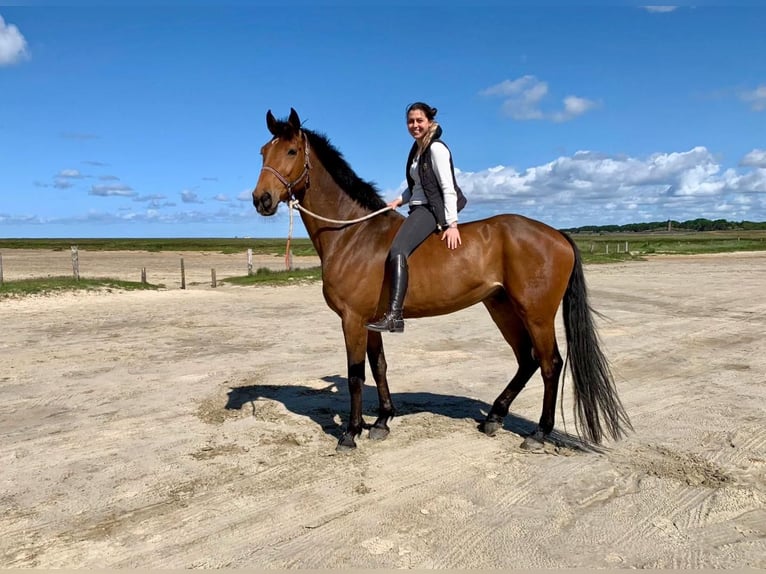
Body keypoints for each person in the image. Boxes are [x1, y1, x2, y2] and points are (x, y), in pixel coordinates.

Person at [366, 102, 467, 333]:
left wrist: (452, 224)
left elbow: (448, 187)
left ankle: (394, 316)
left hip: (431, 209)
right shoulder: (418, 149)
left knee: (398, 249)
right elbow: (417, 185)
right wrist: (398, 201)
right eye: (410, 121)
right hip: (417, 205)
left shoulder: (436, 149)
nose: (414, 125)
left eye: (419, 120)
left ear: (429, 122)